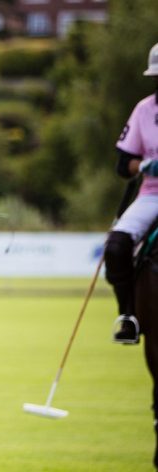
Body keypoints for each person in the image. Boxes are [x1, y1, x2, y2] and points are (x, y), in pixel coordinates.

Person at [105, 41, 158, 344]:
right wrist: (146, 165)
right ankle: (129, 315)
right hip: (152, 194)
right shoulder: (144, 110)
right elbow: (124, 164)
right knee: (115, 248)